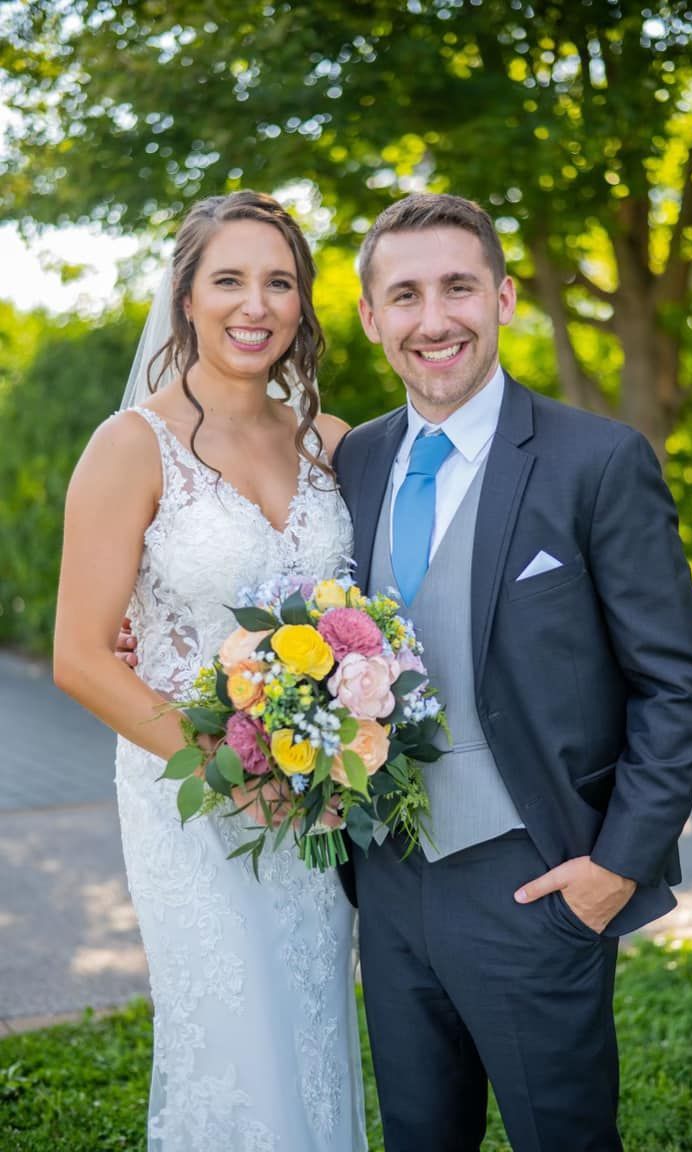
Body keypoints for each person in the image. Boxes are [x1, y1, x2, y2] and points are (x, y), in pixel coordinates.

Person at [330, 193, 692, 1152]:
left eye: (458, 287)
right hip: (386, 878)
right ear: (372, 317)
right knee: (421, 1135)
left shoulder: (597, 461)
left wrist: (614, 869)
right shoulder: (351, 463)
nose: (434, 320)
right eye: (406, 295)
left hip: (537, 875)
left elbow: (675, 685)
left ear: (502, 298)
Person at [54, 191, 367, 1152]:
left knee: (312, 1026)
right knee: (234, 1042)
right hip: (190, 801)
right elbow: (78, 656)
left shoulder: (334, 443)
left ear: (304, 306)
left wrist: (338, 744)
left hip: (317, 800)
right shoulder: (129, 446)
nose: (255, 304)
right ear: (186, 295)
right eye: (228, 279)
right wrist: (234, 769)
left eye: (279, 282)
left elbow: (375, 619)